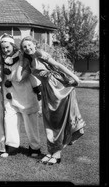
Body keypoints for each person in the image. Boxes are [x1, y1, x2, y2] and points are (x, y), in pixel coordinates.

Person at [20, 36, 85, 165]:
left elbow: (58, 65)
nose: (27, 48)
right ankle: (51, 152)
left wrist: (75, 78)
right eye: (24, 47)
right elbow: (20, 76)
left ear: (34, 44)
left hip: (57, 88)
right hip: (47, 90)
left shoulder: (39, 53)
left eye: (29, 45)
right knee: (49, 121)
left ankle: (57, 153)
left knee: (57, 122)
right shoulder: (29, 60)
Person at [0, 33, 41, 157]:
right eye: (3, 48)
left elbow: (21, 77)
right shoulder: (2, 58)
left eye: (8, 47)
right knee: (10, 119)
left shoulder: (24, 57)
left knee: (30, 122)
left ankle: (35, 147)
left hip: (25, 93)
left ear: (13, 46)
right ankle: (12, 145)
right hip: (10, 93)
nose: (6, 50)